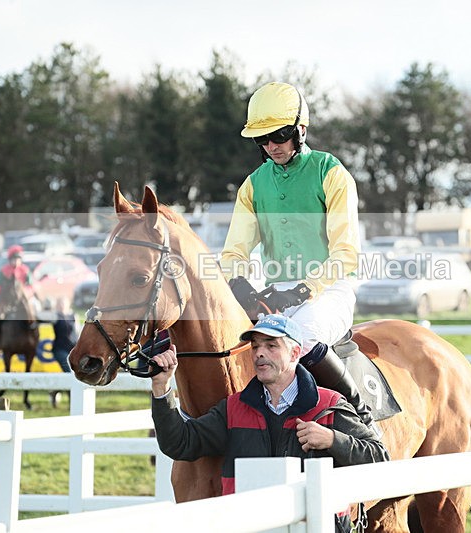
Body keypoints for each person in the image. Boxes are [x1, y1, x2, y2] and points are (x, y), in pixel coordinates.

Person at [220, 81, 376, 432]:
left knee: (297, 339)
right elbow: (233, 252)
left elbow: (346, 253)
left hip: (329, 291)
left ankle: (361, 418)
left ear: (300, 130)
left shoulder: (331, 173)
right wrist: (240, 284)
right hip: (276, 294)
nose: (271, 146)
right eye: (263, 139)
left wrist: (303, 289)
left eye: (279, 136)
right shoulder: (253, 185)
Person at [150, 314, 389, 530]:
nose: (259, 353)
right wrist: (162, 388)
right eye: (255, 346)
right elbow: (179, 443)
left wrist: (333, 440)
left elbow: (379, 458)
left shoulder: (329, 403)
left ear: (295, 353)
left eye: (271, 345)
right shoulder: (233, 407)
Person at [51, 296, 76, 373]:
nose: (62, 305)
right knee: (68, 370)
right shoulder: (55, 316)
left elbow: (77, 332)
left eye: (63, 303)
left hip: (72, 347)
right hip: (60, 349)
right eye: (60, 303)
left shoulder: (73, 315)